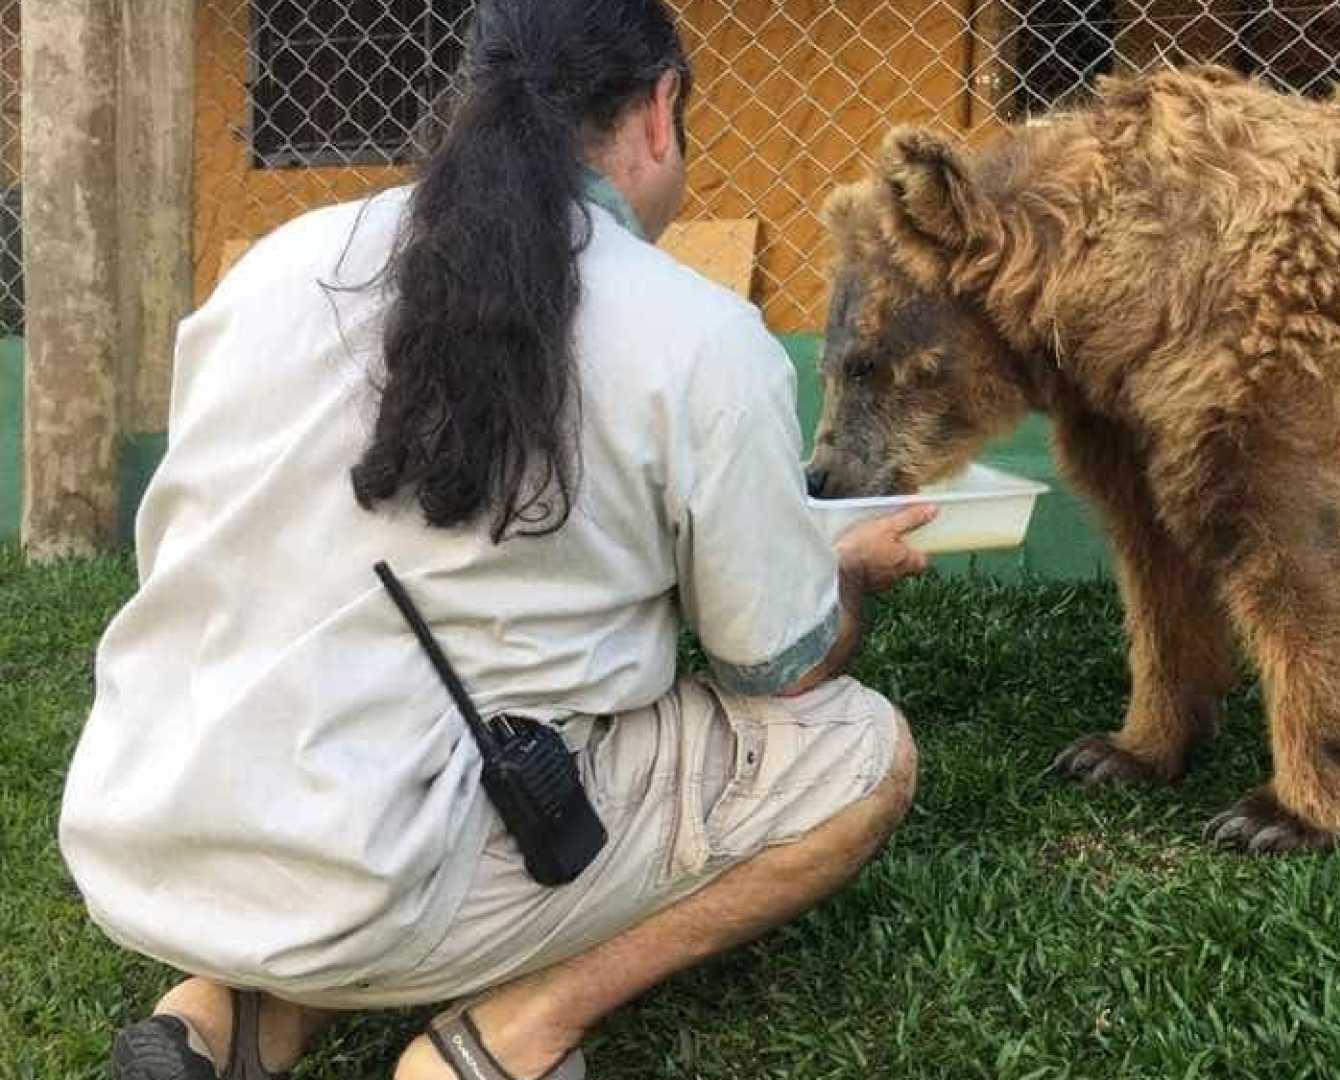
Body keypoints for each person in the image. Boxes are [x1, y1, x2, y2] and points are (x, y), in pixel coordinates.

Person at [58, 2, 934, 1077]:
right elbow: (779, 676)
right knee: (859, 750)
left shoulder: (275, 267)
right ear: (661, 112)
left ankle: (216, 1022)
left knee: (366, 752)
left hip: (155, 823)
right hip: (396, 867)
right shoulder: (699, 338)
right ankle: (508, 1036)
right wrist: (838, 576)